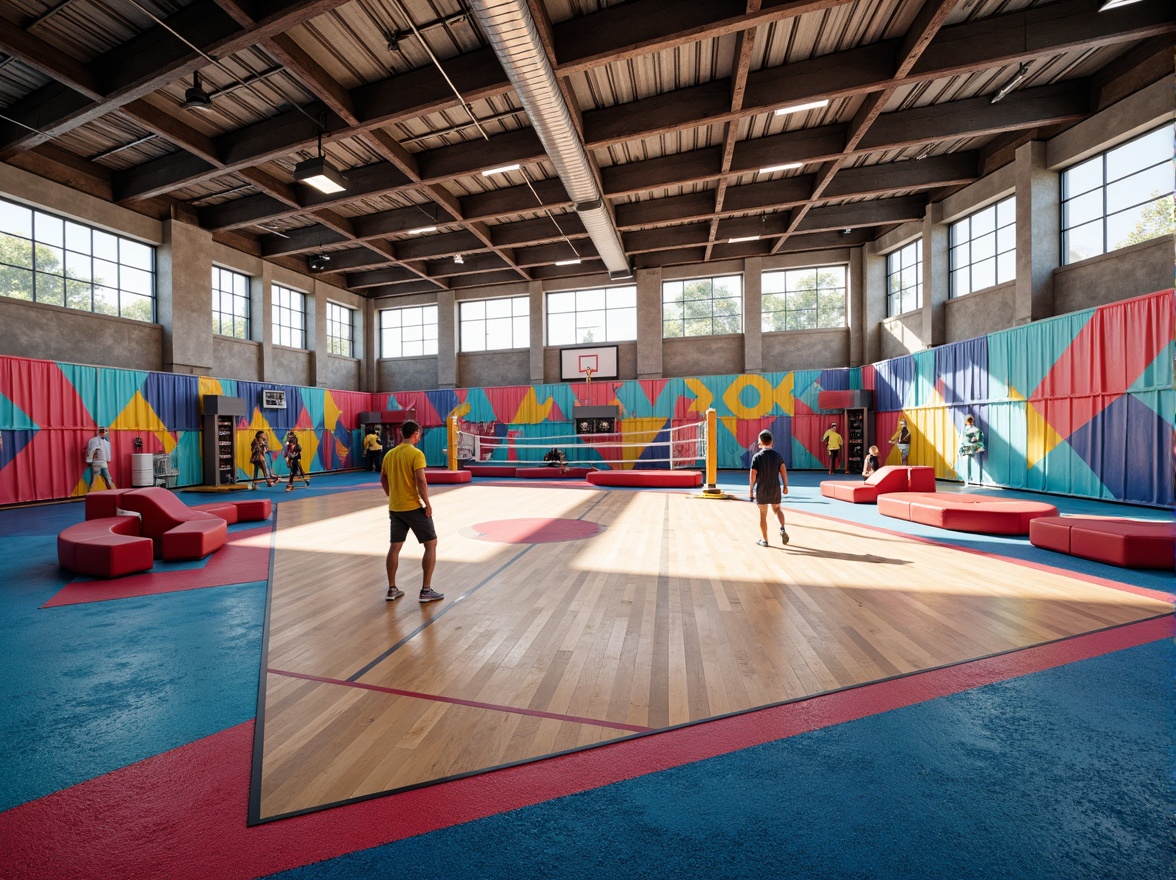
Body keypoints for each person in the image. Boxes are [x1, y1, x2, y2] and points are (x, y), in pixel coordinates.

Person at [381, 419, 444, 603]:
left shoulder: (390, 455)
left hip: (395, 508)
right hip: (413, 507)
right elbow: (421, 481)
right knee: (431, 544)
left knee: (395, 547)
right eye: (419, 433)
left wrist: (391, 495)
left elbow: (383, 478)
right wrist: (428, 503)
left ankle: (392, 589)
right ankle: (426, 590)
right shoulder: (416, 454)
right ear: (416, 433)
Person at [748, 430, 789, 547]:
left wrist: (751, 490)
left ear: (760, 443)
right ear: (772, 442)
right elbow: (783, 472)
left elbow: (753, 475)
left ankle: (765, 540)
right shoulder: (778, 456)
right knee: (777, 509)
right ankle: (782, 528)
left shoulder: (757, 457)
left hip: (762, 489)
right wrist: (785, 486)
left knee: (763, 514)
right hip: (775, 488)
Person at [85, 426, 116, 490]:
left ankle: (112, 491)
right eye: (101, 431)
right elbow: (91, 451)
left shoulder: (98, 441)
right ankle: (113, 491)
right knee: (105, 478)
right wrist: (89, 460)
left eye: (103, 431)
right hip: (99, 462)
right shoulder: (99, 441)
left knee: (105, 479)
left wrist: (89, 460)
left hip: (100, 462)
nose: (102, 433)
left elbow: (91, 451)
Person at [958, 415, 985, 487]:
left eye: (971, 421)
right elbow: (961, 440)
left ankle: (974, 480)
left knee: (974, 463)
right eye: (968, 421)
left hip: (971, 448)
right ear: (966, 422)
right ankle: (967, 481)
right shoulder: (964, 430)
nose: (970, 422)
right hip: (966, 448)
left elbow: (980, 438)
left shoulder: (975, 430)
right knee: (966, 463)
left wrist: (974, 440)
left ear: (973, 421)